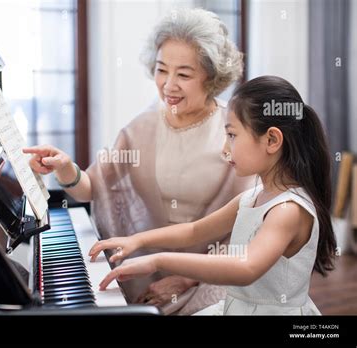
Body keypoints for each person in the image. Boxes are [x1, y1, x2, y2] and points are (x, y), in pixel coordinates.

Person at [23, 8, 254, 314]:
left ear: (211, 78)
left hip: (217, 271)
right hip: (149, 273)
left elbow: (250, 226)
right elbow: (91, 188)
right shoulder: (142, 127)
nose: (168, 85)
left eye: (183, 74)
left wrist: (186, 277)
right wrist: (65, 168)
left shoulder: (232, 129)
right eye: (161, 70)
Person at [90, 75, 337, 315]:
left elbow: (247, 267)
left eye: (232, 135)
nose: (224, 149)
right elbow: (194, 231)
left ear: (272, 139)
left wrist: (158, 261)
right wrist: (137, 240)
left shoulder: (288, 211)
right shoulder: (252, 197)